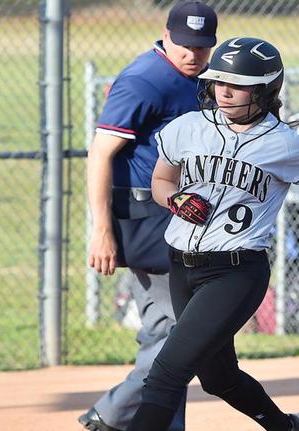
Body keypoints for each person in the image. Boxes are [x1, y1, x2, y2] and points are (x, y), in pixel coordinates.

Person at [126, 37, 299, 431]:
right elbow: (162, 180)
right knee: (217, 378)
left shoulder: (283, 143)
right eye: (219, 81)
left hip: (236, 272)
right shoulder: (188, 127)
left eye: (239, 85)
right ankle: (288, 427)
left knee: (167, 373)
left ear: (266, 91)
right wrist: (175, 199)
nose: (225, 92)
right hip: (182, 268)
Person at [81, 2, 218, 430]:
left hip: (181, 216)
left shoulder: (201, 79)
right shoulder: (144, 80)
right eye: (184, 45)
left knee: (172, 332)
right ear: (165, 33)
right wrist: (102, 231)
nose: (193, 54)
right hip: (146, 217)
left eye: (202, 46)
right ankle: (113, 414)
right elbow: (100, 154)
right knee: (176, 333)